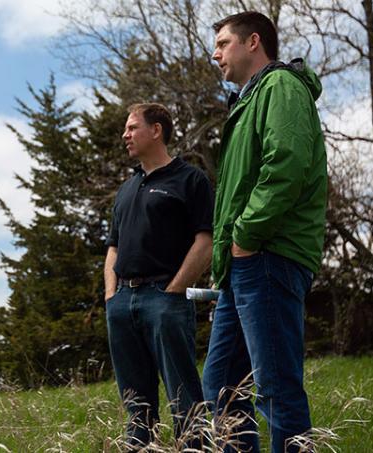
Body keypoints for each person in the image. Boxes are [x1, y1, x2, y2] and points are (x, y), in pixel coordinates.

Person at [202, 11, 328, 453]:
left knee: (275, 388)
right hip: (245, 263)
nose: (215, 53)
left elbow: (285, 166)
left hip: (268, 254)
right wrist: (232, 253)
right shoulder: (248, 100)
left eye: (222, 43)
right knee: (221, 386)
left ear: (253, 42)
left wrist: (245, 238)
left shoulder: (281, 87)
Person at [104, 102, 215, 450]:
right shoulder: (126, 188)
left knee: (184, 398)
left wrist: (174, 290)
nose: (125, 135)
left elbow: (206, 240)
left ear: (157, 130)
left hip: (165, 300)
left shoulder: (190, 179)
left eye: (133, 127)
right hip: (122, 304)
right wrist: (111, 296)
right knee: (136, 405)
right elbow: (113, 248)